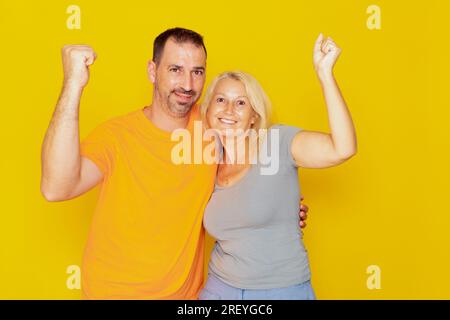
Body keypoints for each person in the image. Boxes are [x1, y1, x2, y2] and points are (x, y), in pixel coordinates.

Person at [40, 27, 309, 299]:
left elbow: (255, 169)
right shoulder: (116, 136)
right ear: (152, 71)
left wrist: (280, 207)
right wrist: (73, 85)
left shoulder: (214, 128)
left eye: (197, 72)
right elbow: (56, 188)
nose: (188, 84)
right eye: (175, 70)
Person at [198, 34, 357, 300]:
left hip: (282, 290)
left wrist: (325, 74)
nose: (228, 110)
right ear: (208, 109)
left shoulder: (277, 142)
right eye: (221, 99)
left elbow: (342, 148)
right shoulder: (203, 161)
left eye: (241, 103)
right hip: (219, 289)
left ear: (253, 117)